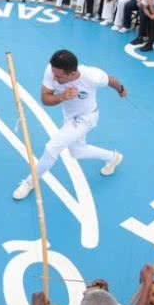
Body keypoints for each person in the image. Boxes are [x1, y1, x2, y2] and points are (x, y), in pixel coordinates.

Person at [12, 50, 126, 200]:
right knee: (78, 151)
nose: (53, 77)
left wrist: (121, 90)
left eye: (58, 76)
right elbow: (45, 99)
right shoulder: (52, 70)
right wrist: (62, 96)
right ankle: (113, 157)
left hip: (86, 117)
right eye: (53, 73)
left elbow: (111, 80)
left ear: (72, 74)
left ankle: (30, 181)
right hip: (69, 117)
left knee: (52, 148)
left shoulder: (91, 76)